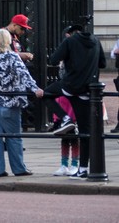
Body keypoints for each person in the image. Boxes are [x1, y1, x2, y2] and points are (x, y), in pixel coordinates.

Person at [0, 28, 42, 177]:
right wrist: (36, 89)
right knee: (13, 137)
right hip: (7, 102)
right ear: (7, 41)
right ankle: (19, 168)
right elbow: (24, 75)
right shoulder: (12, 57)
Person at [46, 22, 106, 179]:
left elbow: (53, 60)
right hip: (88, 90)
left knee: (46, 94)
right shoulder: (96, 40)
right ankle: (83, 169)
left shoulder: (70, 41)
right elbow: (103, 63)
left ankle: (65, 119)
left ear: (70, 33)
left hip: (70, 86)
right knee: (86, 132)